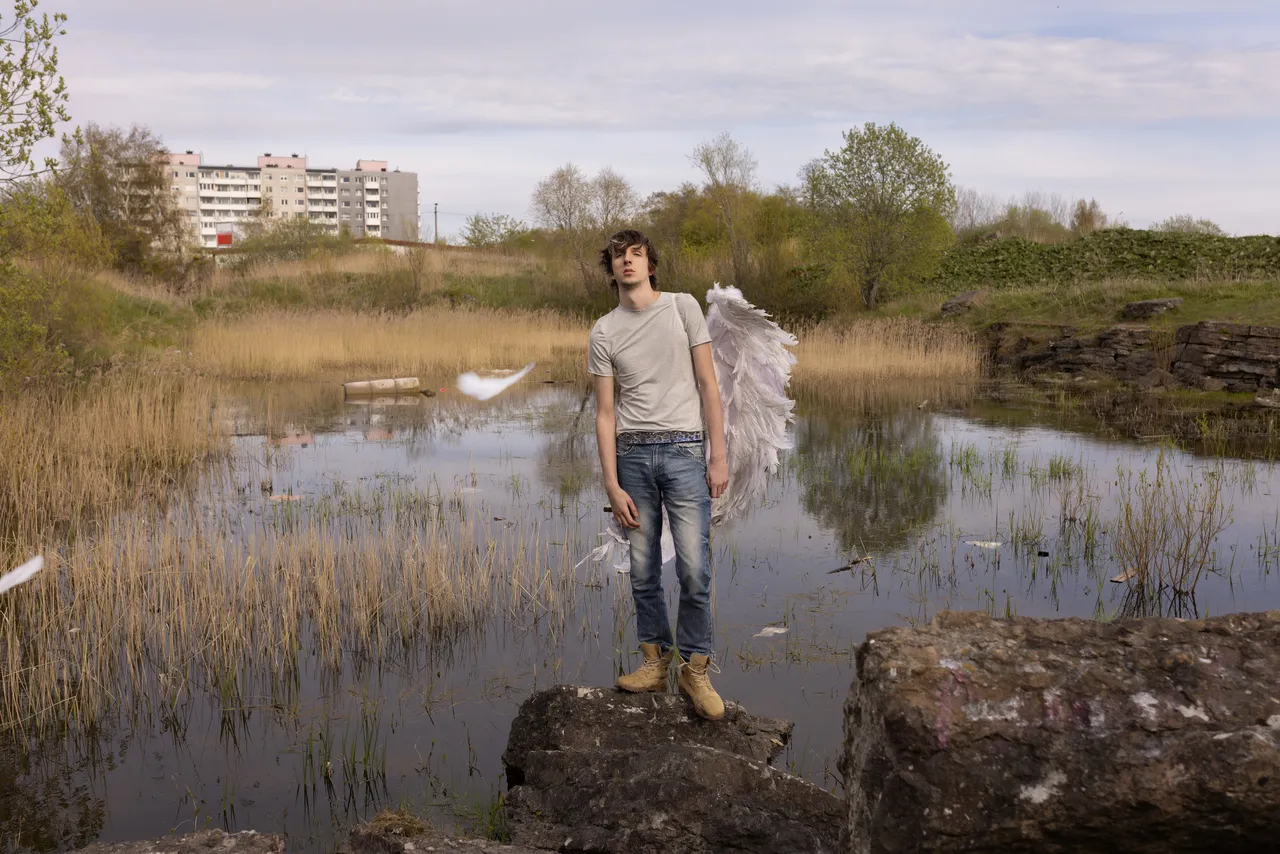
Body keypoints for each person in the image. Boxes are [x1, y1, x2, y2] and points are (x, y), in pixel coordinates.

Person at [588, 228, 729, 721]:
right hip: (632, 457)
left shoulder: (683, 307)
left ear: (651, 265)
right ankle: (655, 662)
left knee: (695, 568)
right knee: (643, 570)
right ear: (610, 269)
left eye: (637, 254)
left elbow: (709, 385)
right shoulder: (603, 331)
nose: (627, 262)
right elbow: (606, 414)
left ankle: (695, 669)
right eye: (618, 257)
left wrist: (718, 455)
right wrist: (611, 482)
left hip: (686, 451)